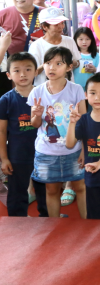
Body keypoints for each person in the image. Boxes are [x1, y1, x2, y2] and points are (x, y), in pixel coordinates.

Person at [28, 47, 87, 218]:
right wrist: (37, 116)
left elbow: (83, 123)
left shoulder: (76, 90)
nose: (51, 68)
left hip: (74, 151)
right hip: (46, 152)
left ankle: (88, 226)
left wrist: (84, 150)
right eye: (48, 63)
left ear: (69, 67)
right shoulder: (37, 92)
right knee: (52, 190)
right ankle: (54, 228)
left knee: (81, 187)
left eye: (58, 63)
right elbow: (35, 124)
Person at [65, 73, 100, 220]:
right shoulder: (83, 120)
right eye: (93, 93)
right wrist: (72, 122)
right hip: (93, 175)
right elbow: (69, 144)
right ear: (85, 95)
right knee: (95, 215)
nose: (97, 97)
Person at [0, 53, 47, 217]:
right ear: (8, 75)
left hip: (44, 153)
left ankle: (48, 219)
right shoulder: (6, 100)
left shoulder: (44, 96)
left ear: (36, 72)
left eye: (28, 69)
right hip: (17, 155)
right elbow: (2, 131)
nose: (23, 74)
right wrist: (4, 158)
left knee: (46, 190)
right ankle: (17, 223)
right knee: (17, 191)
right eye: (17, 70)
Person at [29, 7, 80, 86]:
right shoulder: (36, 46)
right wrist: (49, 63)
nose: (61, 26)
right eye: (56, 24)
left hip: (67, 88)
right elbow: (33, 72)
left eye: (62, 23)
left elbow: (78, 63)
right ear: (44, 27)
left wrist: (71, 62)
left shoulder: (69, 41)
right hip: (44, 91)